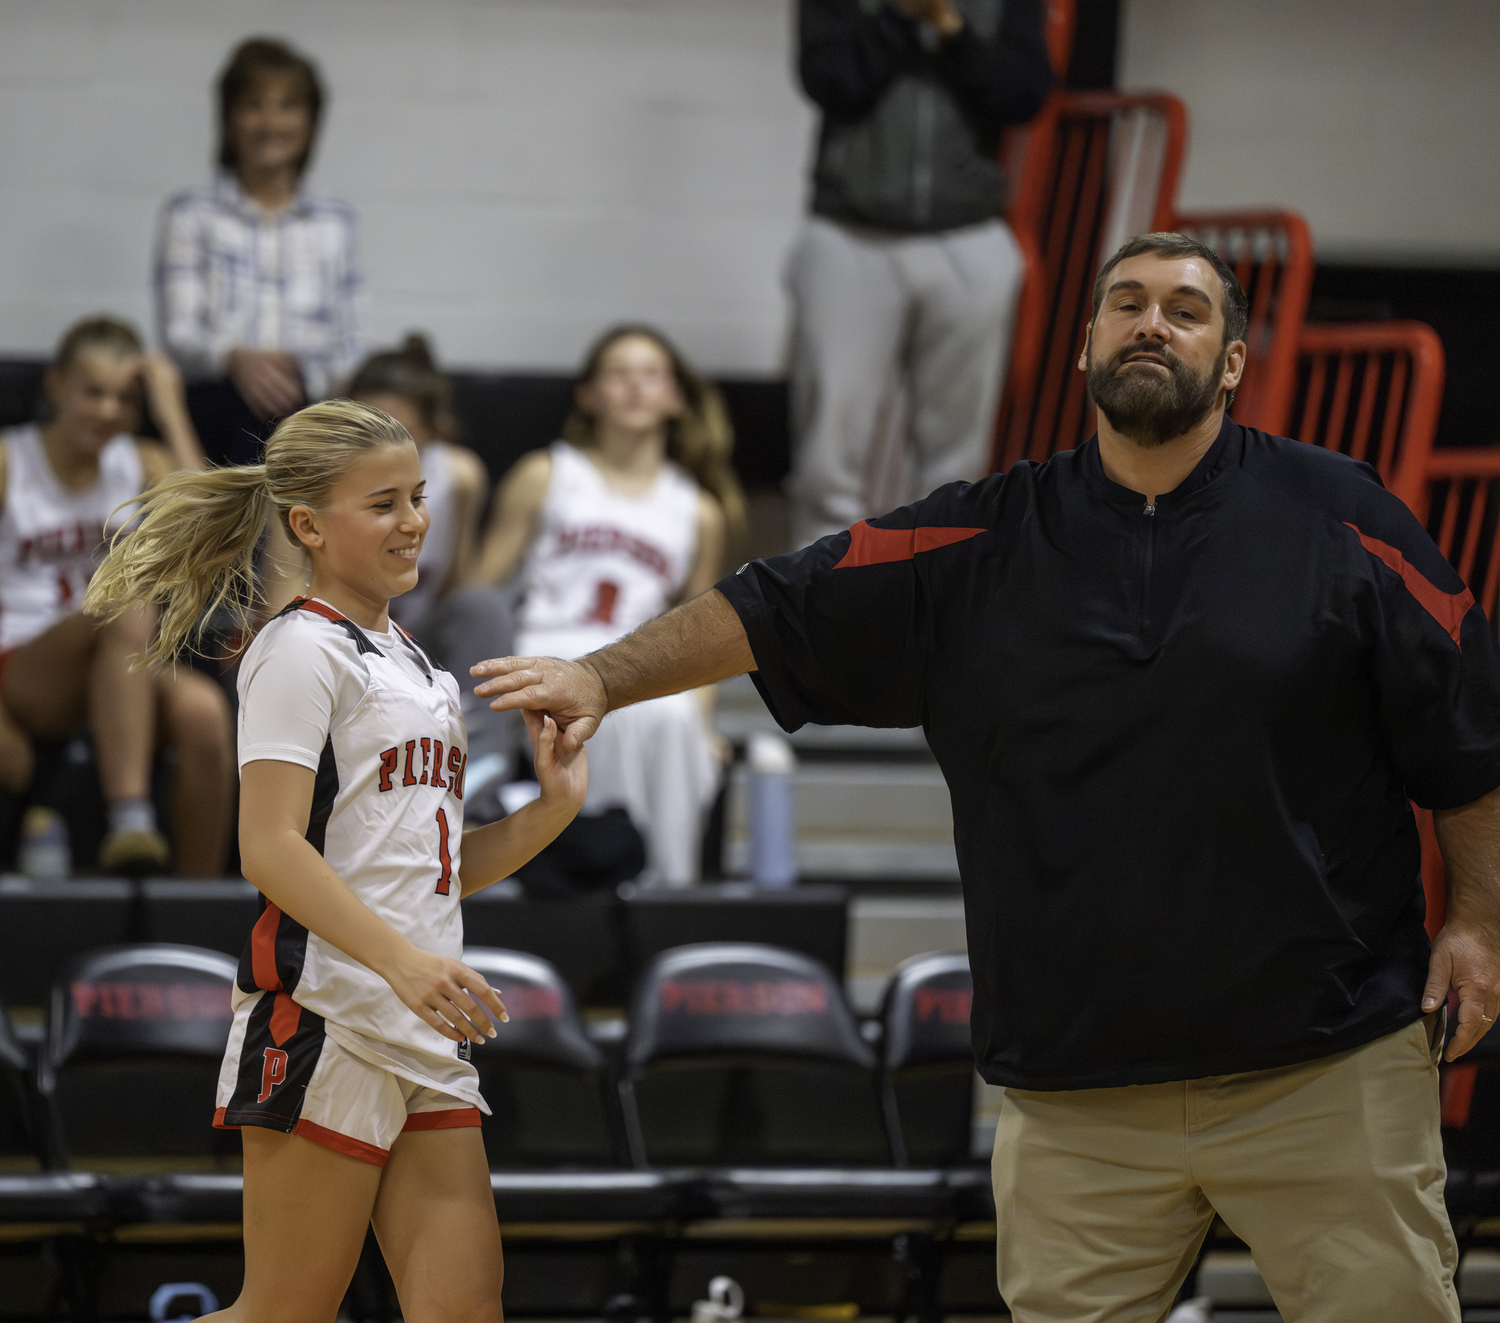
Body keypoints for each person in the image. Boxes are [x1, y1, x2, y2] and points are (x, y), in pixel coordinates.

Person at [475, 234, 1500, 1321]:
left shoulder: (1341, 517)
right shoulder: (978, 540)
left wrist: (1478, 919)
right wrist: (596, 676)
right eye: (1127, 304)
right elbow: (772, 607)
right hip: (1077, 1096)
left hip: (1325, 1066)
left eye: (1186, 310)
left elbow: (1468, 731)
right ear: (1086, 347)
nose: (1152, 323)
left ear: (1235, 361)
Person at [83, 399, 586, 1321]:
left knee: (465, 1310)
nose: (414, 522)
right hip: (326, 1015)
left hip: (422, 1026)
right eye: (384, 502)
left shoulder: (421, 667)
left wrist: (554, 811)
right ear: (309, 524)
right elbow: (267, 846)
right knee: (283, 1312)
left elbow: (435, 870)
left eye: (419, 497)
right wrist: (400, 962)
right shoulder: (296, 648)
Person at [474, 325, 743, 887]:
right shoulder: (545, 473)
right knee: (606, 716)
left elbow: (705, 632)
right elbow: (481, 591)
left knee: (674, 721)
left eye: (651, 375)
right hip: (545, 650)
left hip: (636, 657)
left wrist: (704, 721)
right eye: (619, 374)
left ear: (674, 397)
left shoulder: (697, 509)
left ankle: (665, 890)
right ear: (588, 394)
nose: (635, 389)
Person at [787, 0, 1052, 548]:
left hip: (970, 235)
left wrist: (951, 28)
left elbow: (1023, 95)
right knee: (827, 451)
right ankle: (816, 609)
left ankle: (937, 607)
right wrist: (901, 18)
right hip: (849, 233)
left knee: (957, 458)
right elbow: (829, 80)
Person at [0, 316, 231, 876]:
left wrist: (171, 407)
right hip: (25, 663)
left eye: (126, 399)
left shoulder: (141, 461)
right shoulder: (10, 460)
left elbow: (215, 525)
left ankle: (192, 913)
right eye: (93, 393)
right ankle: (130, 817)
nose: (108, 412)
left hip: (117, 663)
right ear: (56, 386)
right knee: (127, 595)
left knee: (204, 714)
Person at [156, 37, 361, 466]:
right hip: (215, 403)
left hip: (309, 406)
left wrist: (322, 399)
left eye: (288, 105)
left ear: (310, 122)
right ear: (229, 119)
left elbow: (352, 342)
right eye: (254, 105)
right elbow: (179, 333)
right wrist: (235, 359)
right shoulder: (191, 214)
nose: (271, 121)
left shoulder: (336, 221)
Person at [343, 335, 520, 816]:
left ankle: (477, 779)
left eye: (399, 432)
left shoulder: (458, 477)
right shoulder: (319, 480)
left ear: (435, 432)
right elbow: (281, 605)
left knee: (483, 606)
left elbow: (458, 588)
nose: (380, 446)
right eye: (366, 427)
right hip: (340, 647)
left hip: (417, 642)